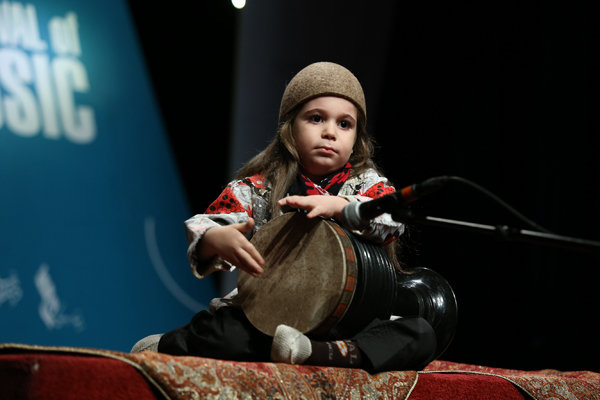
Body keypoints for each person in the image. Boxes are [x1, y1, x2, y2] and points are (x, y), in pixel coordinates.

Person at [131, 61, 437, 372]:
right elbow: (206, 224)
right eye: (316, 119)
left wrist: (340, 206)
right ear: (290, 126)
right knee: (227, 332)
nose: (330, 132)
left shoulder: (368, 185)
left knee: (421, 333)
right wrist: (214, 238)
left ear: (357, 137)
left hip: (347, 317)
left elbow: (393, 221)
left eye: (345, 124)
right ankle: (171, 344)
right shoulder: (260, 187)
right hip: (273, 315)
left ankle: (315, 352)